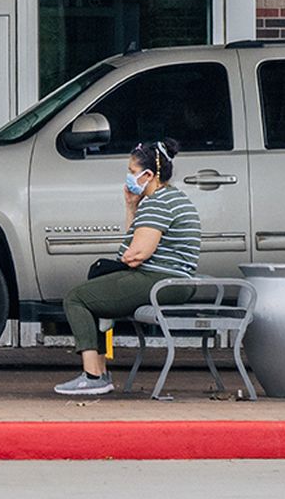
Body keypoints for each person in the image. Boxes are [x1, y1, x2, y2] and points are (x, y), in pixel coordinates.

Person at [53, 138, 201, 396]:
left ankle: (93, 376)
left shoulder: (159, 203)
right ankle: (99, 374)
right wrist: (131, 206)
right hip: (169, 280)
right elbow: (132, 249)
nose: (129, 178)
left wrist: (130, 253)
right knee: (94, 291)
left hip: (161, 280)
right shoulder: (169, 199)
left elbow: (135, 254)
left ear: (148, 175)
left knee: (76, 299)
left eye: (133, 172)